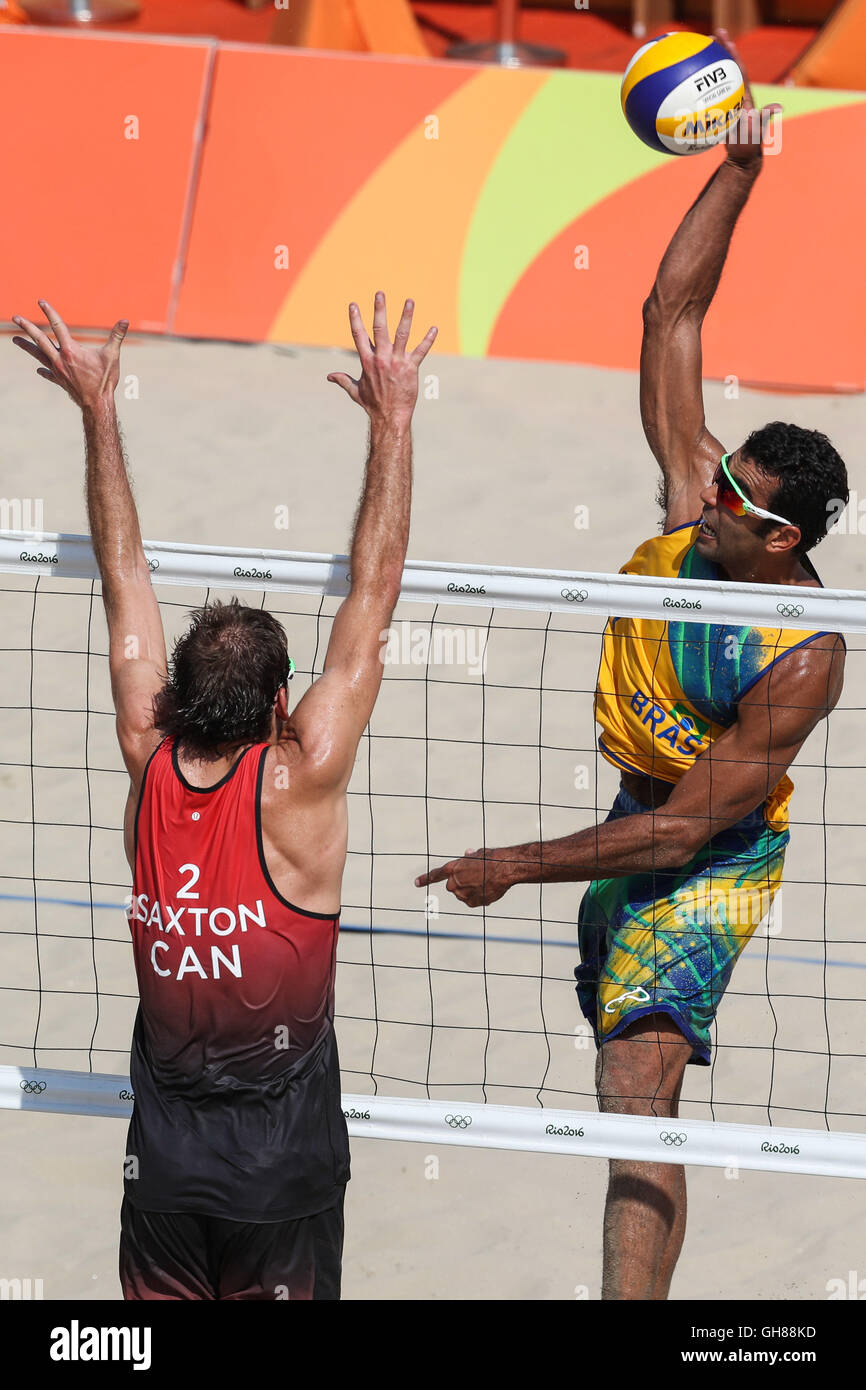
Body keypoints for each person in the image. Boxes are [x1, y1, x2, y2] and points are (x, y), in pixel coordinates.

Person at [416, 45, 848, 1300]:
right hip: (633, 811)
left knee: (638, 1080)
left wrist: (510, 862)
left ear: (780, 538)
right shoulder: (690, 513)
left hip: (704, 853)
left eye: (729, 497)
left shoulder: (802, 662)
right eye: (711, 478)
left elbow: (679, 835)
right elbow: (669, 314)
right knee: (614, 1074)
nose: (698, 486)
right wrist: (737, 171)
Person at [12, 291, 437, 1300]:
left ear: (170, 698)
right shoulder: (300, 778)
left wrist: (98, 413)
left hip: (161, 1166)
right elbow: (372, 592)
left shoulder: (143, 751)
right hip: (277, 1172)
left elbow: (123, 574)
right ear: (281, 703)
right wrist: (394, 423)